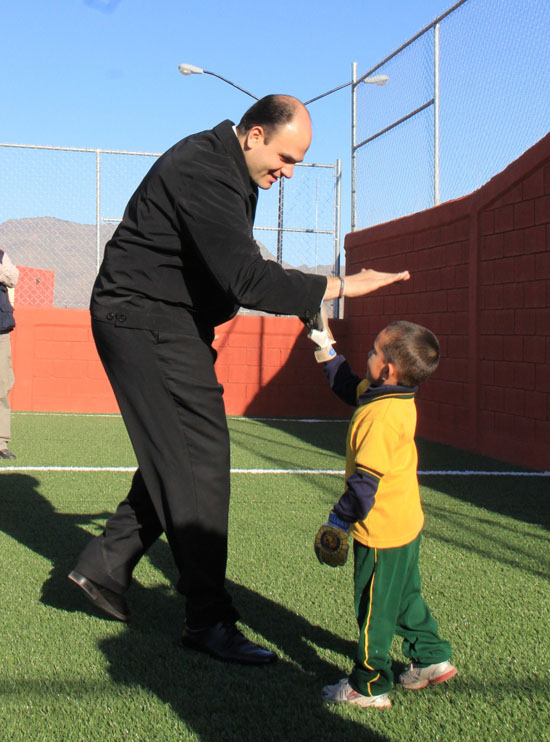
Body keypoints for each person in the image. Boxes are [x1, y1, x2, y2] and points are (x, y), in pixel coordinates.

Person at [68, 94, 410, 666]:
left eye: (297, 161)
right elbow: (245, 277)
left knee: (176, 457)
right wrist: (341, 285)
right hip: (144, 319)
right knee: (200, 461)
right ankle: (207, 620)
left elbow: (226, 271)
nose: (290, 171)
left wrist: (302, 305)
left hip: (167, 322)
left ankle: (103, 568)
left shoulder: (233, 174)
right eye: (286, 156)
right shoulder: (203, 167)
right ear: (253, 135)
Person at [311, 318, 456, 707]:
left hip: (382, 533)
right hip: (407, 523)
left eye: (374, 351)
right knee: (405, 595)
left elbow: (363, 488)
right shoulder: (392, 395)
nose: (369, 355)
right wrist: (324, 343)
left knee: (373, 607)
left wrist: (338, 520)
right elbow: (348, 386)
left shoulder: (379, 417)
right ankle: (431, 657)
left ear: (388, 369)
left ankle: (370, 684)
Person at [0, 249, 18, 460]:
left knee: (2, 385)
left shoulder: (2, 255)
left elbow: (13, 278)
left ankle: (1, 441)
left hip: (0, 330)